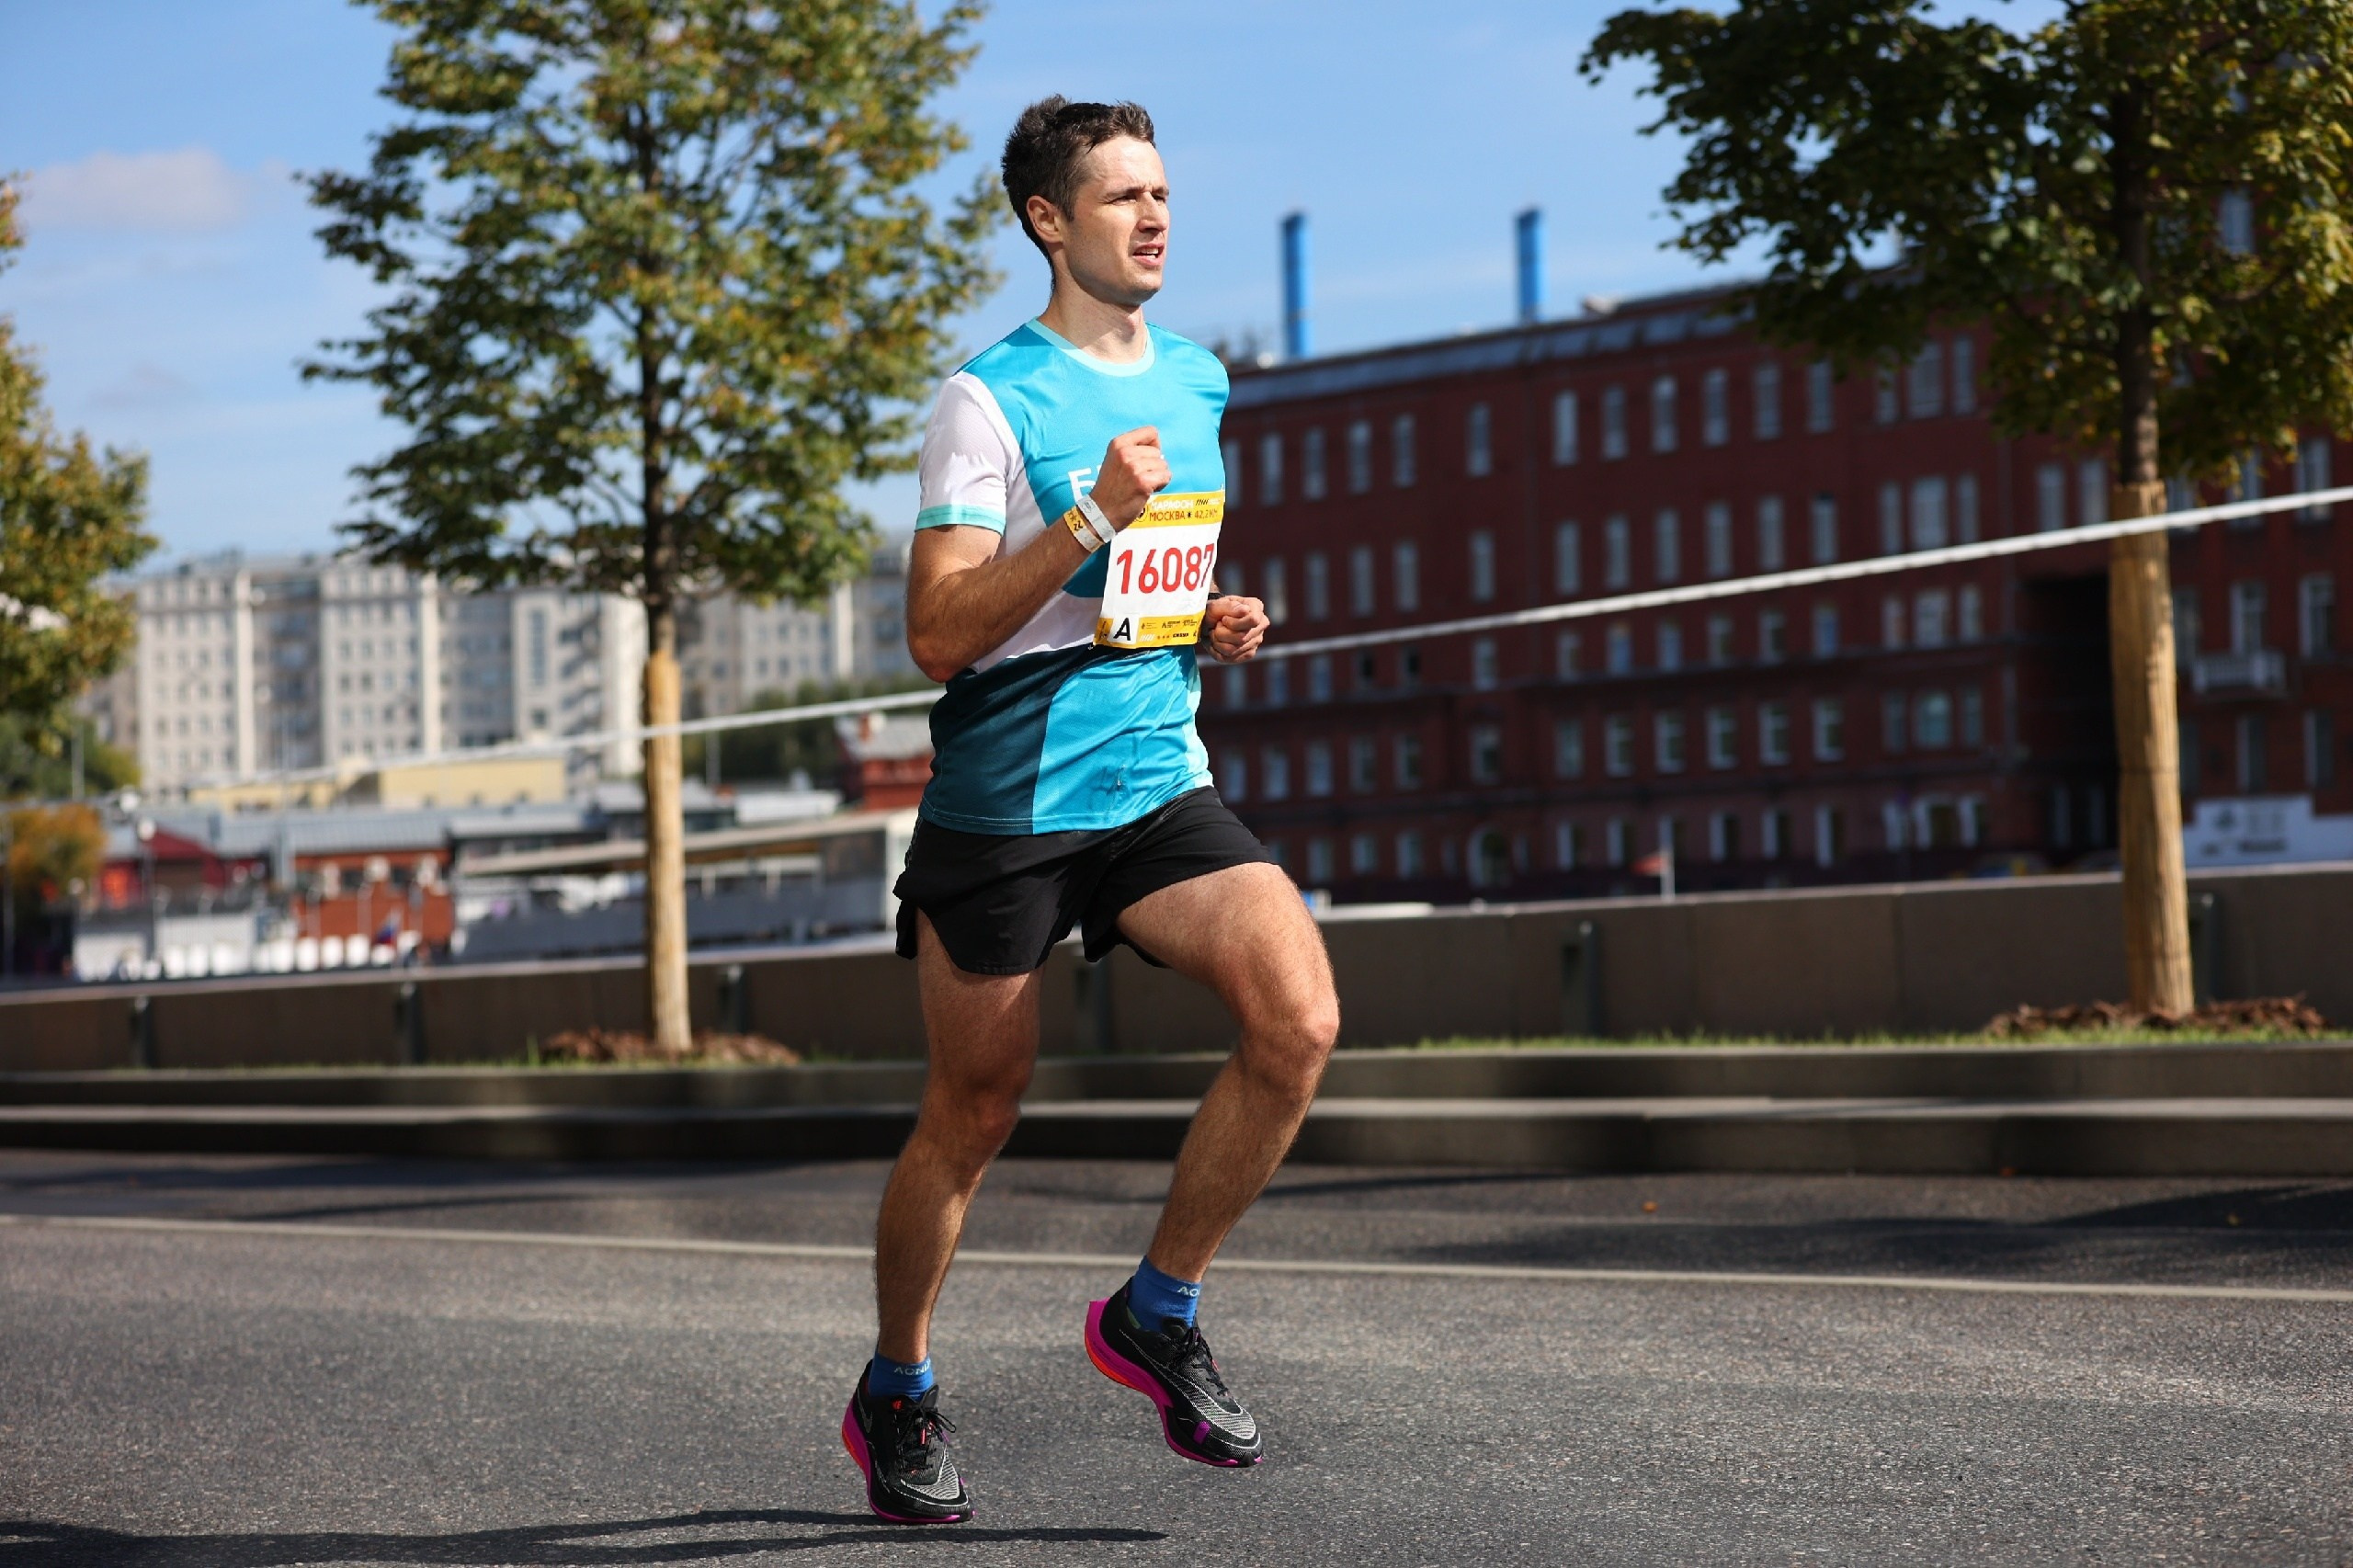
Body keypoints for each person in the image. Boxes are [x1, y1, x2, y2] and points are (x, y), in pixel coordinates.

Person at [838, 97, 1341, 1525]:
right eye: (1124, 196)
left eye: (1162, 191)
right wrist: (1086, 519)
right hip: (1009, 803)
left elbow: (1141, 593)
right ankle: (897, 1386)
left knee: (1299, 1019)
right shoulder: (986, 400)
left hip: (1155, 778)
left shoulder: (1197, 378)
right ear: (1049, 222)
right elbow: (937, 632)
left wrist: (1208, 618)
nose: (1156, 215)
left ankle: (1156, 1310)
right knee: (975, 1108)